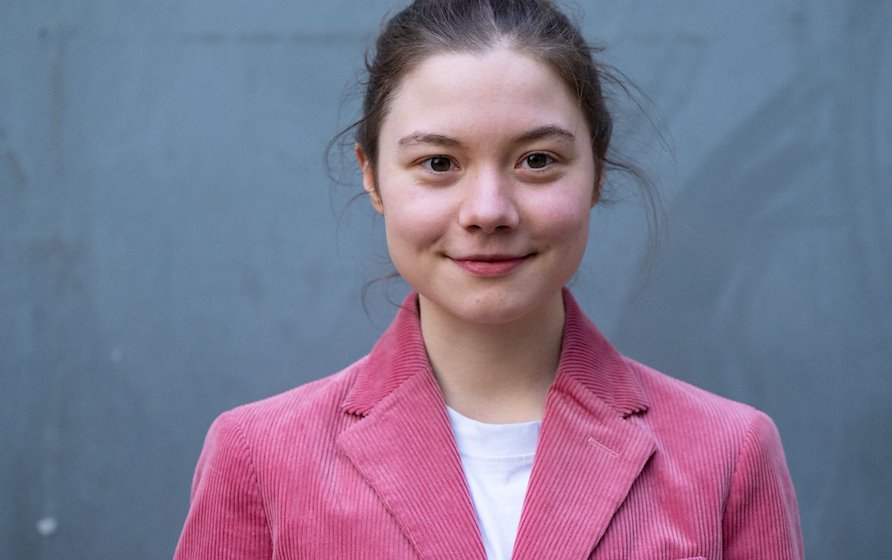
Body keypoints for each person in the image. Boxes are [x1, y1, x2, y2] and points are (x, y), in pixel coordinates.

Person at [173, 1, 804, 558]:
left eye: (537, 160)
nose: (488, 211)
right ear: (371, 176)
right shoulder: (258, 460)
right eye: (439, 162)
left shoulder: (728, 455)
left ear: (598, 171)